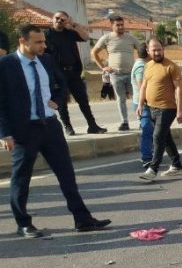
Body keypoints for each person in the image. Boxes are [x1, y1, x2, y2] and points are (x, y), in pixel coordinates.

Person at [0, 24, 111, 238]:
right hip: (24, 130)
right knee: (21, 178)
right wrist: (5, 133)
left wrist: (57, 101)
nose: (44, 45)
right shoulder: (6, 65)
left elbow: (61, 83)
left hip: (50, 126)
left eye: (44, 41)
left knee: (67, 175)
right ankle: (23, 223)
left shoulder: (46, 60)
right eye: (38, 42)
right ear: (23, 42)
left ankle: (83, 219)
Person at [44, 11, 107, 136]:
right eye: (57, 18)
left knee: (83, 100)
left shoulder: (70, 33)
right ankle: (68, 127)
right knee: (62, 103)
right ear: (52, 18)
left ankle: (92, 126)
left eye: (63, 19)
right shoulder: (47, 34)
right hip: (57, 74)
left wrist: (74, 25)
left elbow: (85, 37)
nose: (59, 21)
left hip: (74, 72)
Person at [137, 38, 182, 180]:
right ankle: (176, 164)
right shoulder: (148, 66)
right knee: (165, 137)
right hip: (151, 108)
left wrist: (180, 110)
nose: (157, 52)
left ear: (163, 49)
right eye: (154, 50)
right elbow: (144, 87)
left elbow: (179, 89)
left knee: (157, 136)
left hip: (167, 108)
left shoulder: (171, 67)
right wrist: (140, 104)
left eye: (159, 49)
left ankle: (153, 169)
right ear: (148, 51)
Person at [91, 14, 139, 131]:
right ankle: (124, 122)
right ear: (112, 25)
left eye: (122, 25)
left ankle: (141, 121)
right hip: (116, 75)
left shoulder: (130, 38)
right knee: (120, 99)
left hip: (131, 74)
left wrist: (140, 64)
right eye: (118, 25)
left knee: (137, 98)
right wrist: (103, 67)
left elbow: (142, 50)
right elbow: (94, 53)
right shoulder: (106, 38)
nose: (121, 27)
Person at [131, 43, 153, 167]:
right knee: (147, 130)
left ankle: (150, 153)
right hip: (144, 103)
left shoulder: (142, 65)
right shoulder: (141, 66)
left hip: (144, 102)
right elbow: (141, 87)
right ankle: (146, 158)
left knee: (149, 129)